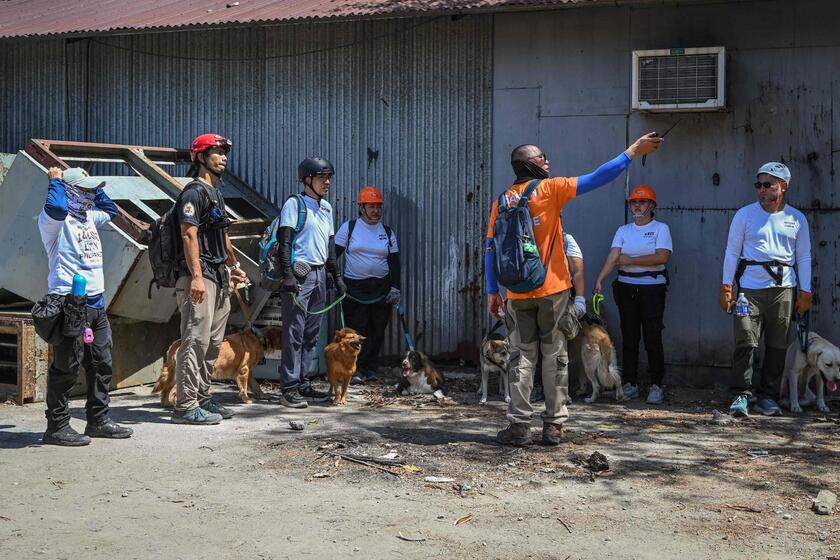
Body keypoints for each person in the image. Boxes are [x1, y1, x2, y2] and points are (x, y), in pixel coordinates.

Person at [485, 133, 662, 447]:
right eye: (542, 157)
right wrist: (632, 152)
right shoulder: (551, 189)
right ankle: (553, 426)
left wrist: (492, 291)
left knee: (521, 359)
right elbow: (599, 177)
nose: (547, 161)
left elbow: (490, 248)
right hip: (551, 291)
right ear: (529, 163)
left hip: (515, 294)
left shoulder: (502, 200)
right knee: (554, 356)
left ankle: (518, 427)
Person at [37, 167, 133, 445]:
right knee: (66, 367)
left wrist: (94, 185)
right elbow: (56, 205)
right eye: (85, 190)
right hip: (69, 303)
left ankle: (98, 420)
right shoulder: (53, 221)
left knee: (101, 362)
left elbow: (111, 209)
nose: (90, 195)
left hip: (96, 303)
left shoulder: (89, 216)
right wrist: (56, 180)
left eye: (91, 191)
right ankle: (56, 427)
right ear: (70, 191)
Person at [720, 162, 811, 417]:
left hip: (783, 289)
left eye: (767, 184)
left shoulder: (796, 219)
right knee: (745, 341)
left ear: (782, 187)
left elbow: (803, 256)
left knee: (777, 344)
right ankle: (741, 394)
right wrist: (726, 286)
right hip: (748, 289)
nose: (761, 189)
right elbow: (731, 252)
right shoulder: (744, 215)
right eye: (758, 184)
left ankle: (768, 397)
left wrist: (806, 291)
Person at [172, 133, 247, 425]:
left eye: (224, 151)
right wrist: (196, 278)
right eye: (216, 151)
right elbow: (189, 234)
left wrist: (234, 265)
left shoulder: (215, 193)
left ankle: (203, 397)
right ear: (200, 157)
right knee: (195, 340)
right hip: (201, 276)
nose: (223, 156)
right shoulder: (192, 193)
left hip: (219, 274)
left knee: (214, 342)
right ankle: (185, 405)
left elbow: (222, 234)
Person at [274, 157, 345, 408]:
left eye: (329, 178)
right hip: (300, 274)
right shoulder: (295, 204)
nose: (327, 182)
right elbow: (285, 242)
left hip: (319, 274)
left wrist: (336, 277)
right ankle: (289, 388)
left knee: (311, 333)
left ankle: (302, 382)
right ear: (307, 180)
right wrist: (288, 276)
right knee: (294, 332)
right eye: (321, 177)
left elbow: (330, 248)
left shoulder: (326, 208)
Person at [593, 185, 672, 404]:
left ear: (651, 205)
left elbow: (662, 257)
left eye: (642, 202)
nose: (637, 205)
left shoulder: (660, 229)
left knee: (652, 337)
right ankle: (630, 384)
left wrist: (631, 260)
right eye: (634, 202)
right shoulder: (624, 230)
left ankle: (656, 385)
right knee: (629, 337)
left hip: (652, 289)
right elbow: (613, 256)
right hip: (626, 288)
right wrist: (600, 278)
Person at [335, 186, 401, 384]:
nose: (375, 211)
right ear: (361, 208)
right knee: (355, 332)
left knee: (376, 330)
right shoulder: (349, 228)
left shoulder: (387, 232)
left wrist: (395, 287)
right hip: (354, 289)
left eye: (378, 207)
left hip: (381, 290)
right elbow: (333, 256)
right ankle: (352, 369)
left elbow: (394, 262)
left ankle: (370, 368)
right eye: (371, 207)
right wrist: (336, 280)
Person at [531, 231, 586, 403]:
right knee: (535, 345)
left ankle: (560, 391)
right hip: (531, 297)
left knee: (560, 344)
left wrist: (580, 299)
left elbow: (577, 271)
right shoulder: (530, 236)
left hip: (561, 296)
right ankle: (538, 387)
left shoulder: (567, 239)